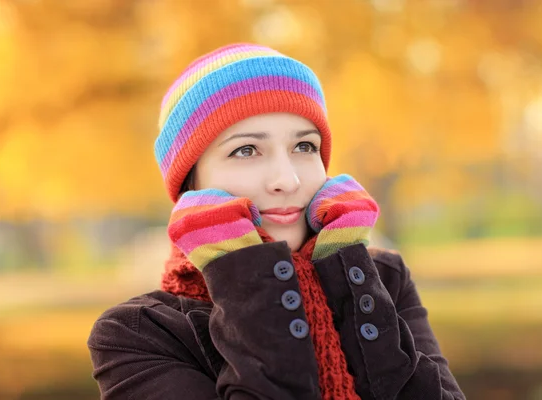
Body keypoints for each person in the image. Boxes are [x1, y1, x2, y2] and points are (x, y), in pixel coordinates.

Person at [87, 43, 465, 400]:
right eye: (246, 150)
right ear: (191, 183)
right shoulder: (135, 334)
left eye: (304, 146)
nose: (288, 180)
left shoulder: (382, 279)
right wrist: (240, 268)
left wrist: (343, 270)